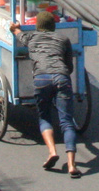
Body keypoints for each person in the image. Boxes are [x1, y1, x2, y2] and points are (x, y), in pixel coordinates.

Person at [9, 10, 80, 177]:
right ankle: (71, 164)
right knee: (67, 122)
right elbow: (69, 66)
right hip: (61, 77)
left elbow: (18, 34)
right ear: (54, 25)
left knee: (45, 116)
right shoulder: (63, 39)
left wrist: (15, 28)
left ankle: (52, 151)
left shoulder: (32, 38)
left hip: (41, 79)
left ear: (37, 25)